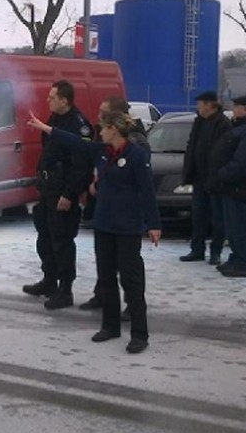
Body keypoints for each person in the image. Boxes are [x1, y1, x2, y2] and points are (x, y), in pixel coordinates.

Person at [29, 110, 162, 354]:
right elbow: (75, 142)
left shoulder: (136, 156)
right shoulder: (102, 152)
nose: (99, 132)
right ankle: (110, 326)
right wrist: (45, 128)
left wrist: (154, 224)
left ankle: (139, 334)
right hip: (104, 225)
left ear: (114, 129)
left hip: (127, 227)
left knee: (130, 280)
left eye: (103, 128)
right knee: (107, 277)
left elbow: (147, 192)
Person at [22, 80, 95, 310]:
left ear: (64, 100)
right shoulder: (55, 119)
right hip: (48, 188)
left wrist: (69, 194)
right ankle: (49, 281)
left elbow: (81, 165)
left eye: (52, 97)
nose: (48, 100)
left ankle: (65, 290)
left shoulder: (78, 124)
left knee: (62, 241)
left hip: (63, 191)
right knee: (44, 237)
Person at [79, 95, 150, 316]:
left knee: (129, 265)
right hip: (107, 211)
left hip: (127, 216)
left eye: (104, 112)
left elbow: (134, 178)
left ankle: (133, 304)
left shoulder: (135, 142)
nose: (99, 116)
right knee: (106, 260)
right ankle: (104, 295)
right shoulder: (105, 138)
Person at [208, 95, 246, 278]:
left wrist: (223, 174)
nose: (233, 110)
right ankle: (236, 257)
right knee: (232, 227)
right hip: (229, 187)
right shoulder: (240, 127)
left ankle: (244, 262)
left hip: (238, 187)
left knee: (239, 226)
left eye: (237, 107)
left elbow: (244, 162)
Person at [179, 91, 232, 265]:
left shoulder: (223, 124)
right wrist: (189, 171)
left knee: (217, 217)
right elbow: (192, 145)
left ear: (209, 105)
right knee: (198, 215)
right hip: (199, 178)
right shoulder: (199, 122)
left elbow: (223, 152)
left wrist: (218, 174)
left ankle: (215, 251)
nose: (198, 107)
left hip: (216, 178)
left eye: (200, 103)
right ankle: (197, 249)